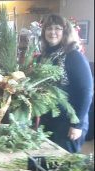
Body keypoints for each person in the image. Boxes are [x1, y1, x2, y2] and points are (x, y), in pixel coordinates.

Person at [38, 14, 93, 153]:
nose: (52, 32)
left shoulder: (73, 56)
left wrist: (77, 124)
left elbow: (86, 91)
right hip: (48, 118)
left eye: (58, 28)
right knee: (44, 161)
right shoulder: (43, 57)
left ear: (65, 31)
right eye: (49, 28)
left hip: (69, 121)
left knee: (62, 164)